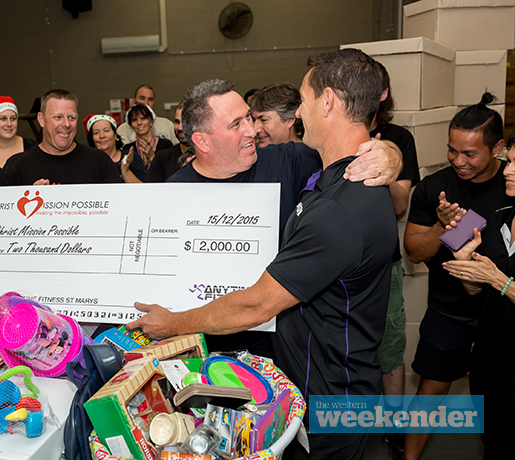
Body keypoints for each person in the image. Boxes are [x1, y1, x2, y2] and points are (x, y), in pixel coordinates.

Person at [129, 49, 398, 460]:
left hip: (317, 387)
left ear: (327, 102)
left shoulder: (292, 163)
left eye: (252, 119)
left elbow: (258, 303)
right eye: (238, 123)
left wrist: (388, 155)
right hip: (224, 371)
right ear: (200, 141)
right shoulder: (171, 195)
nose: (255, 129)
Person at [403, 93, 509, 460]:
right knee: (430, 392)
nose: (458, 161)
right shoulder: (435, 187)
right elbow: (413, 252)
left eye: (470, 154)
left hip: (503, 313)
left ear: (498, 149)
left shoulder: (510, 185)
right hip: (450, 312)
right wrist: (442, 226)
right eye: (452, 150)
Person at [443, 132, 515, 457]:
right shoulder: (501, 217)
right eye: (510, 162)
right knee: (493, 445)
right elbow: (478, 290)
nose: (507, 171)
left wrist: (498, 279)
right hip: (489, 360)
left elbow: (497, 282)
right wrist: (465, 265)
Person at [370, 61, 420, 460]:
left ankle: (393, 429)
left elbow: (402, 204)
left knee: (390, 349)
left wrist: (381, 166)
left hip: (382, 261)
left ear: (383, 93)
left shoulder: (399, 137)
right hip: (336, 263)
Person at [0, 89, 122, 186]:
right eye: (58, 117)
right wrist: (28, 197)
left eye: (71, 117)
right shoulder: (17, 167)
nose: (66, 124)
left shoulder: (100, 162)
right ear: (41, 120)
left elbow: (119, 208)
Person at [84, 114, 145, 183]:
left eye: (106, 130)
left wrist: (126, 171)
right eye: (96, 132)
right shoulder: (87, 162)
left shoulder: (131, 157)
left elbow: (142, 189)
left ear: (115, 135)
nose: (102, 136)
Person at [120, 105, 173, 179]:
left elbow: (170, 172)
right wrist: (143, 165)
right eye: (134, 120)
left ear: (151, 121)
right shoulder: (128, 149)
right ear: (131, 125)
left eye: (143, 118)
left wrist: (152, 157)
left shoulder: (166, 144)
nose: (139, 123)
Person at [146, 102, 194, 183]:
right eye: (177, 122)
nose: (180, 128)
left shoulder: (210, 158)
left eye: (186, 122)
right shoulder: (162, 158)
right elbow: (151, 192)